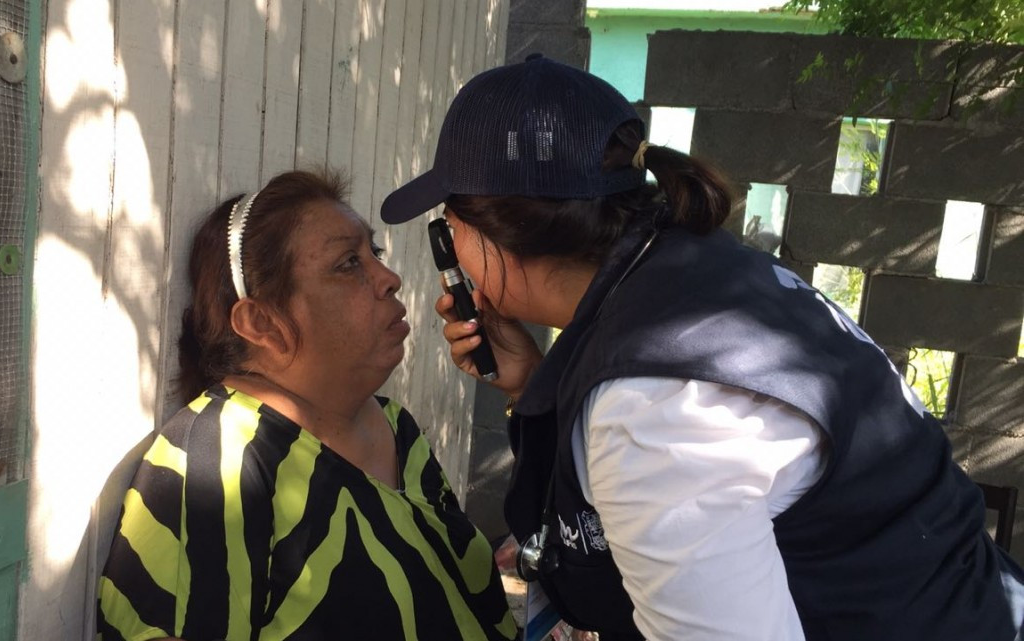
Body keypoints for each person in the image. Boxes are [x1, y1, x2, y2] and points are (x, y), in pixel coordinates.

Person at [380, 54, 1024, 641]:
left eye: (447, 225)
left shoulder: (658, 414)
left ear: (495, 230)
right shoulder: (700, 273)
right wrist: (534, 384)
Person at [97, 169, 517, 641]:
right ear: (262, 322)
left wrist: (526, 388)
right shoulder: (214, 464)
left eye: (372, 254)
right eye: (348, 264)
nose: (390, 278)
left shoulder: (397, 426)